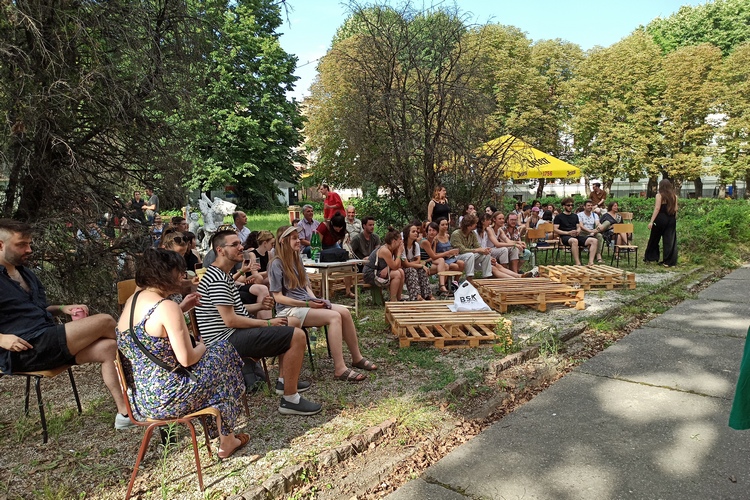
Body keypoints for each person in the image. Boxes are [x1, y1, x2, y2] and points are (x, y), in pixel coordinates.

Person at [0, 219, 132, 429]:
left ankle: (125, 414)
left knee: (108, 347)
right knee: (105, 321)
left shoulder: (25, 273)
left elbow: (34, 310)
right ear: (1, 245)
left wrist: (63, 308)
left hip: (46, 339)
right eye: (21, 244)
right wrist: (2, 339)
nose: (29, 249)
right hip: (25, 349)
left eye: (29, 244)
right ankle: (148, 365)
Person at [116, 248, 248, 458]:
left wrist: (181, 308)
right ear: (164, 274)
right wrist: (205, 343)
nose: (182, 276)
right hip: (172, 397)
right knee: (223, 352)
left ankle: (223, 432)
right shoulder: (166, 307)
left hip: (143, 400)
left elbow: (151, 333)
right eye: (179, 272)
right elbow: (187, 359)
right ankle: (227, 439)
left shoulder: (133, 300)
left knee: (217, 364)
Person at [195, 229, 321, 415]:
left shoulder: (221, 274)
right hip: (224, 343)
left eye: (240, 243)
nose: (241, 247)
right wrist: (267, 323)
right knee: (297, 335)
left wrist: (260, 306)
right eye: (235, 245)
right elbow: (230, 320)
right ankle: (290, 400)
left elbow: (234, 311)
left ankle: (284, 382)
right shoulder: (217, 279)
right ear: (220, 250)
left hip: (230, 336)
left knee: (291, 322)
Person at [270, 226, 377, 382]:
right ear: (283, 241)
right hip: (289, 309)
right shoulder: (276, 264)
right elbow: (278, 298)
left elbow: (306, 286)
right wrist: (307, 304)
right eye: (294, 238)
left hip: (305, 304)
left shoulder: (297, 258)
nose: (298, 241)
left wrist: (315, 300)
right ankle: (340, 369)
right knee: (334, 317)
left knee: (345, 312)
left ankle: (357, 358)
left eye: (298, 237)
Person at [363, 227, 406, 301]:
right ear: (394, 241)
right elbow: (395, 267)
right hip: (371, 274)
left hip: (379, 271)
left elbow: (398, 266)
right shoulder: (385, 250)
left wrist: (388, 267)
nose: (401, 242)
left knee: (401, 271)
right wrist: (399, 253)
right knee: (396, 274)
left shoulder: (393, 249)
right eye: (400, 240)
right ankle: (393, 299)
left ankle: (398, 298)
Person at [554, 197, 598, 266]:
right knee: (574, 241)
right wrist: (568, 233)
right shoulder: (559, 217)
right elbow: (555, 229)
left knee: (594, 240)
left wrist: (578, 231)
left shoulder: (575, 216)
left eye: (572, 205)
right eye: (568, 205)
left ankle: (591, 262)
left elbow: (578, 226)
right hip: (565, 236)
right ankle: (578, 263)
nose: (570, 207)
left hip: (576, 235)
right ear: (564, 206)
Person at [421, 221, 461, 296]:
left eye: (433, 230)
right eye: (429, 230)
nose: (431, 232)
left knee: (445, 265)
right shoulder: (425, 241)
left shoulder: (433, 241)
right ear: (427, 232)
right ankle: (442, 286)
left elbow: (433, 256)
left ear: (437, 232)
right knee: (442, 261)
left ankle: (443, 287)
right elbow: (433, 256)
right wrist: (448, 252)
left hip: (429, 262)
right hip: (422, 263)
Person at [645, 178, 678, 267]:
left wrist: (651, 221)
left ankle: (651, 257)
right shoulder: (674, 196)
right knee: (670, 241)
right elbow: (675, 209)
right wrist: (674, 219)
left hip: (661, 218)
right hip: (671, 219)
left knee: (654, 238)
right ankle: (669, 261)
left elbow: (657, 208)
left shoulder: (659, 196)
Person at [450, 214, 492, 281]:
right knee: (470, 255)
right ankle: (469, 278)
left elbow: (477, 245)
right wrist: (477, 250)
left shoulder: (472, 233)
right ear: (469, 226)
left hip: (468, 255)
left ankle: (486, 277)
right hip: (457, 256)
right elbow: (461, 250)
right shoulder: (456, 234)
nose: (476, 225)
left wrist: (484, 250)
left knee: (486, 255)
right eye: (474, 223)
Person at [401, 223, 433, 301]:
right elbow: (405, 264)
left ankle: (427, 295)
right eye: (413, 231)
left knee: (422, 270)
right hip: (402, 268)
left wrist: (414, 264)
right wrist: (421, 265)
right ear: (407, 234)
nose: (416, 233)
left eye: (416, 231)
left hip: (411, 265)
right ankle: (416, 296)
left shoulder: (416, 245)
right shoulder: (402, 246)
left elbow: (418, 260)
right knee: (411, 270)